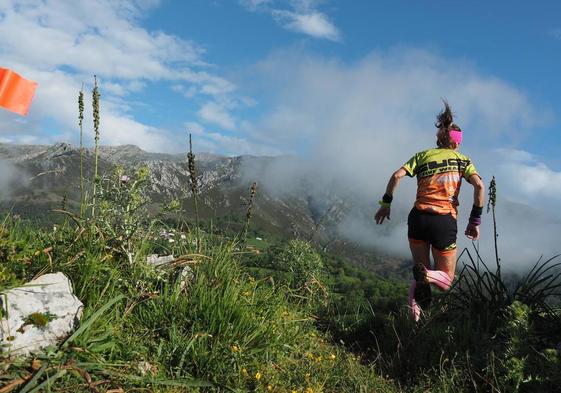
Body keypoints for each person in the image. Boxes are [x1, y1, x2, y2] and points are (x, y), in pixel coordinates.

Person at [374, 101, 485, 321]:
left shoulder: (422, 156)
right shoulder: (463, 161)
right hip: (443, 221)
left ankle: (413, 323)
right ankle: (428, 275)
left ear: (439, 139)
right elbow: (480, 186)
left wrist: (386, 204)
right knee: (444, 281)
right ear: (456, 144)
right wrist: (475, 221)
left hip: (418, 219)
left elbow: (396, 176)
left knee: (419, 276)